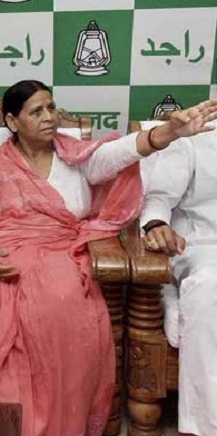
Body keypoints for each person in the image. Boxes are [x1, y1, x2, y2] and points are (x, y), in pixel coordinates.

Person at [0, 80, 217, 436]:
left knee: (58, 302)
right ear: (12, 121)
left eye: (51, 107)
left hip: (58, 251)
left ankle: (46, 422)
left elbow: (123, 151)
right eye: (36, 111)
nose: (49, 117)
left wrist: (169, 132)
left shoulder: (77, 158)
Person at [140, 122, 217, 436]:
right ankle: (206, 428)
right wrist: (156, 224)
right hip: (205, 247)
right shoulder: (196, 134)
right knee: (209, 289)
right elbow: (158, 198)